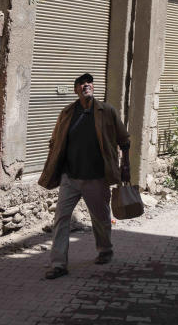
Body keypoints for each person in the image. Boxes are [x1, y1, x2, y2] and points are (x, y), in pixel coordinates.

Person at [38, 73, 131, 279]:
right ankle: (58, 264)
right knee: (61, 218)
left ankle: (105, 250)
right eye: (81, 83)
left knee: (100, 218)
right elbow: (55, 141)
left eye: (89, 82)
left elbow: (124, 139)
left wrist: (125, 165)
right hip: (70, 177)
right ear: (76, 90)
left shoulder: (107, 111)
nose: (86, 85)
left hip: (96, 177)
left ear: (93, 88)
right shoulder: (67, 113)